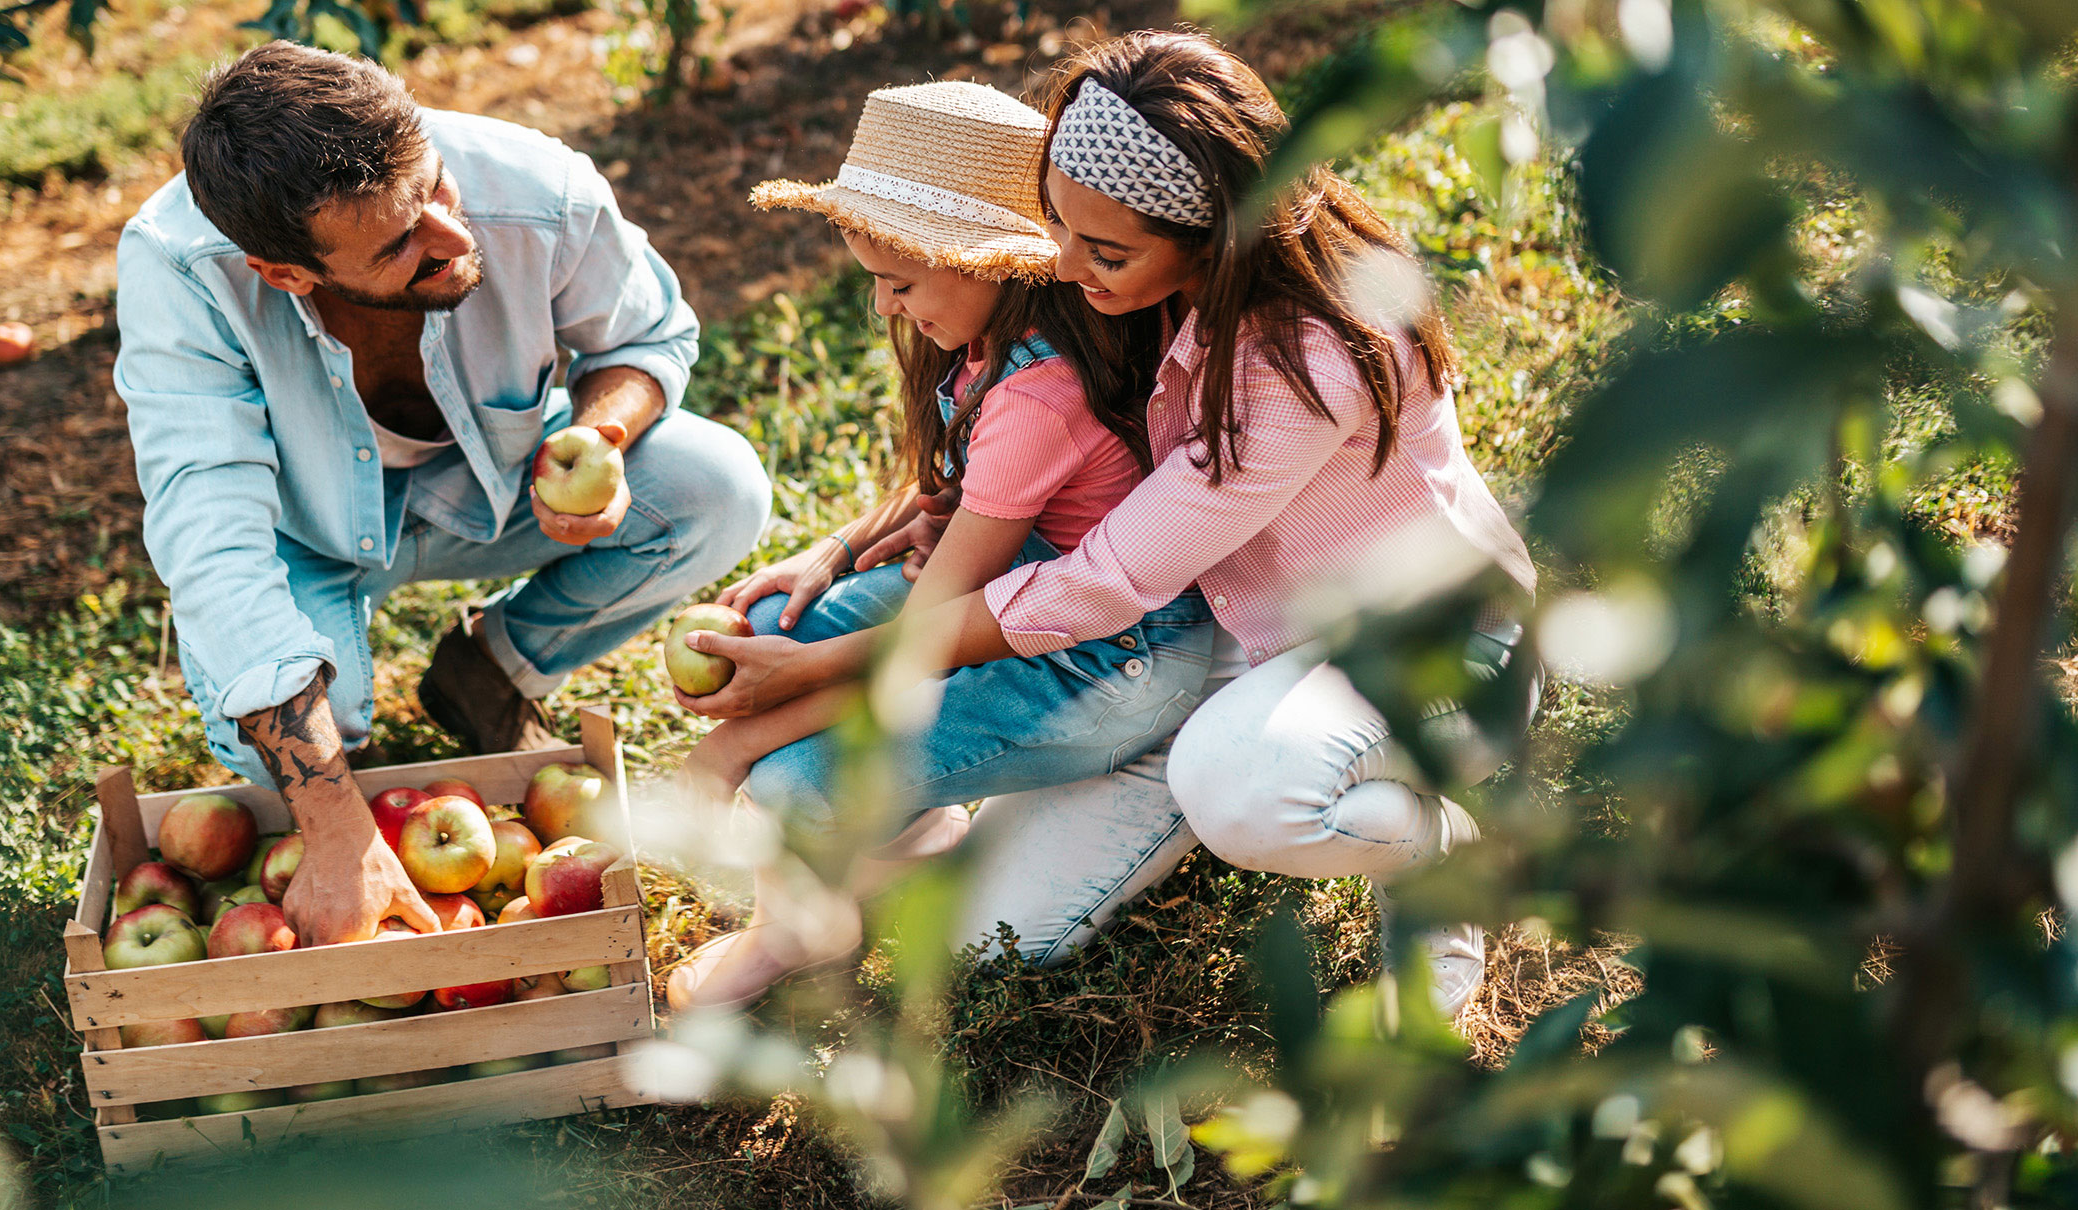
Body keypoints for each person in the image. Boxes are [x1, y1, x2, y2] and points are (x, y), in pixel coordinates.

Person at [678, 30, 1538, 1017]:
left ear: (1210, 237)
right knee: (983, 940)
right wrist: (844, 545)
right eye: (1058, 226)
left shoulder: (1307, 360)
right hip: (1218, 633)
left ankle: (1435, 850)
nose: (1060, 262)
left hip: (1410, 652)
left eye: (1104, 249)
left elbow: (1097, 584)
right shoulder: (1140, 281)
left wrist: (831, 670)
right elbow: (996, 455)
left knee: (1239, 786)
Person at [114, 42, 770, 944]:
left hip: (489, 486)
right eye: (400, 244)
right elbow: (213, 543)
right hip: (300, 531)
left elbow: (647, 338)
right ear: (288, 273)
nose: (456, 239)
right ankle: (361, 774)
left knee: (716, 485)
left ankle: (490, 671)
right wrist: (339, 828)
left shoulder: (539, 189)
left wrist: (601, 433)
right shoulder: (181, 274)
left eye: (438, 188)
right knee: (276, 742)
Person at [663, 82, 1211, 1010]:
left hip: (1105, 662)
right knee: (769, 621)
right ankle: (905, 840)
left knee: (791, 780)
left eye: (900, 282)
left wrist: (738, 743)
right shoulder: (1000, 345)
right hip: (1010, 596)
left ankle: (791, 930)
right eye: (873, 279)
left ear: (988, 264)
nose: (882, 305)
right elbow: (960, 493)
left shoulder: (1043, 395)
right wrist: (834, 552)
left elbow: (920, 643)